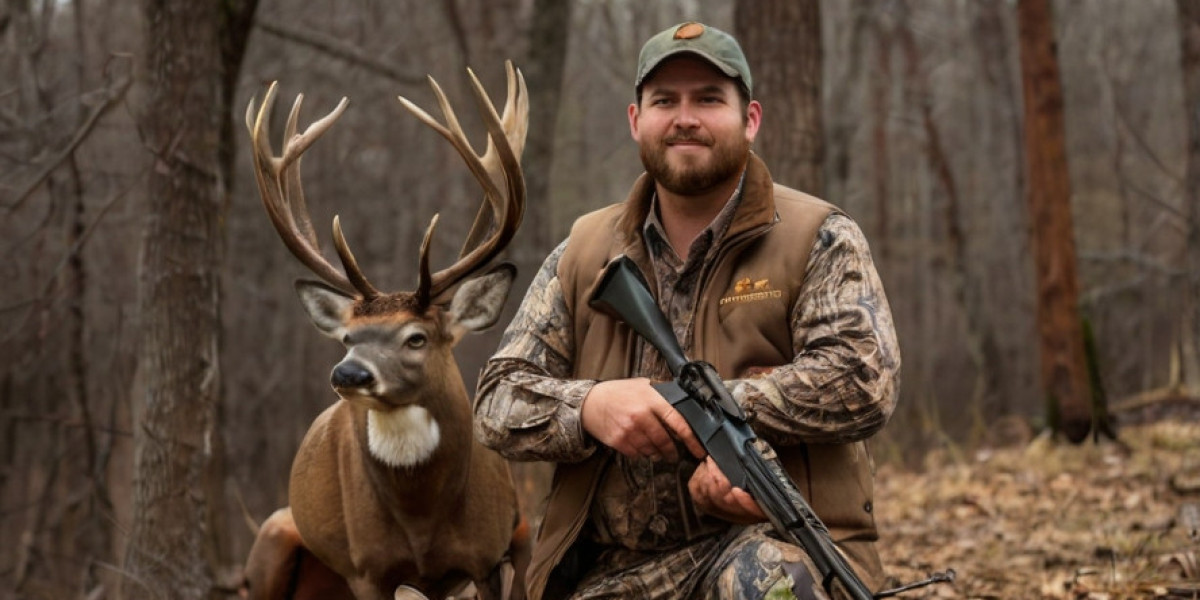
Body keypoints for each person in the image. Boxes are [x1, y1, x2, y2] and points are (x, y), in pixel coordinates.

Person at [474, 21, 899, 600]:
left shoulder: (818, 237)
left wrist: (712, 412)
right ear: (635, 121)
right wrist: (593, 405)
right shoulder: (582, 252)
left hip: (772, 548)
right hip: (610, 569)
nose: (685, 118)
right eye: (665, 101)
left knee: (769, 584)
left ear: (750, 119)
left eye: (708, 99)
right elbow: (497, 401)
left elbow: (863, 380)